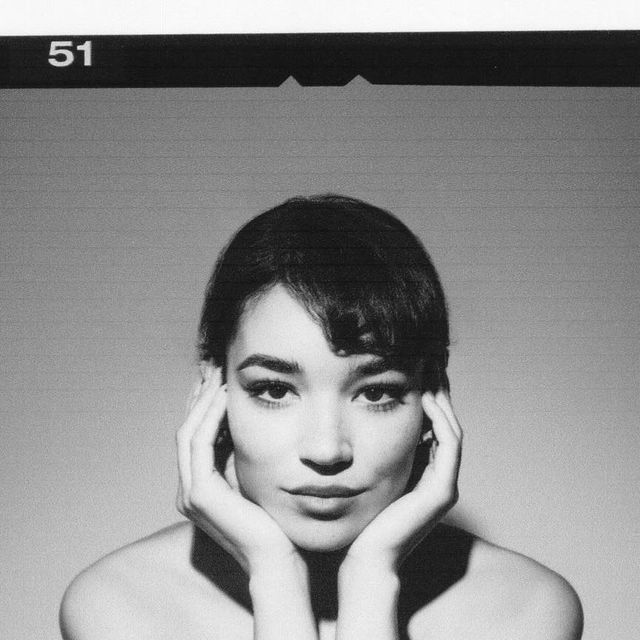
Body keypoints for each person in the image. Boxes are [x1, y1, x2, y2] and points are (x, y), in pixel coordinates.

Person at [59, 195, 583, 640]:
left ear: (432, 397)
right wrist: (275, 575)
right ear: (211, 393)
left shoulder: (524, 609)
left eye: (377, 392)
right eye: (274, 389)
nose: (328, 450)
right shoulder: (119, 606)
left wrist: (372, 581)